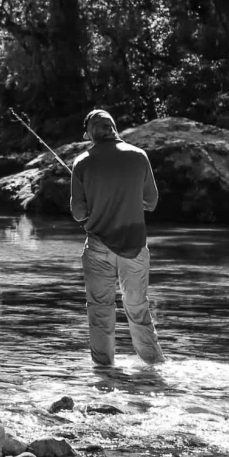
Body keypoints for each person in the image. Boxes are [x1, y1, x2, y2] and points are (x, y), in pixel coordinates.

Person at [70, 108, 165, 367]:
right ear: (114, 128)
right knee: (137, 307)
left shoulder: (82, 162)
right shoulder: (139, 156)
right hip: (134, 245)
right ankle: (153, 367)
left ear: (91, 133)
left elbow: (78, 213)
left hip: (98, 245)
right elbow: (151, 202)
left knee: (100, 310)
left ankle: (104, 371)